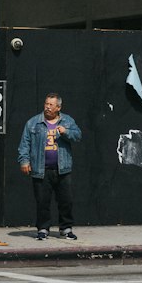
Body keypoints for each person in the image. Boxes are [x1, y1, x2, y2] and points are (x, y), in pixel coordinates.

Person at [18, 92, 82, 241]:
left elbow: (78, 135)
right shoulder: (33, 123)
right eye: (46, 104)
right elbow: (24, 144)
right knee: (42, 201)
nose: (47, 107)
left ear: (58, 107)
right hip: (41, 169)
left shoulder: (67, 121)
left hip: (63, 169)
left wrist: (66, 132)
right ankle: (43, 229)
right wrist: (24, 161)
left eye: (51, 105)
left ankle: (66, 228)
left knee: (66, 200)